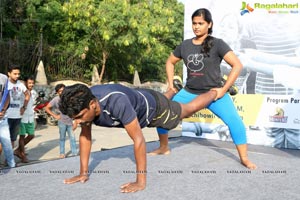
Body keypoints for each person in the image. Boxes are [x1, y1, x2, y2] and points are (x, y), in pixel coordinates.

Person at [148, 8, 257, 170]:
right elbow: (170, 62)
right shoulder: (185, 46)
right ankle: (164, 147)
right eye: (194, 23)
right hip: (189, 92)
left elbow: (237, 65)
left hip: (214, 94)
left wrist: (224, 89)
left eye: (201, 23)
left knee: (236, 123)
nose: (197, 26)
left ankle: (244, 158)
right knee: (164, 114)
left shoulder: (217, 44)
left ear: (209, 24)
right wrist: (170, 84)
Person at [59, 83, 216, 193]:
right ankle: (173, 89)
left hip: (155, 110)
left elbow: (139, 140)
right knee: (160, 98)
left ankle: (216, 91)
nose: (76, 122)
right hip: (140, 97)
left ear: (93, 104)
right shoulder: (84, 101)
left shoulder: (116, 102)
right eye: (74, 118)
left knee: (187, 110)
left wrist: (140, 181)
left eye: (79, 117)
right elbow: (85, 136)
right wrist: (83, 172)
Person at [45, 84, 78, 159]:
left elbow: (75, 110)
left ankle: (74, 153)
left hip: (70, 121)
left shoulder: (71, 99)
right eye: (60, 91)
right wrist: (55, 116)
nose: (62, 92)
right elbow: (47, 108)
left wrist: (76, 122)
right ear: (57, 92)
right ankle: (62, 153)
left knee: (72, 138)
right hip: (62, 122)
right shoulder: (56, 99)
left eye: (63, 90)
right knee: (62, 138)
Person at [14, 76, 37, 163]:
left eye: (32, 83)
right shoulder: (22, 92)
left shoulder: (34, 93)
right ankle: (22, 155)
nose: (31, 85)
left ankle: (18, 150)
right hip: (22, 116)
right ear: (25, 83)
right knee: (22, 136)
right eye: (29, 83)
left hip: (30, 117)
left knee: (31, 135)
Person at [6, 65, 30, 148]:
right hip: (6, 116)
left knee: (13, 139)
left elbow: (27, 95)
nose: (17, 76)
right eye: (15, 74)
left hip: (17, 116)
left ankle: (8, 159)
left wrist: (24, 107)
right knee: (3, 139)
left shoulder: (21, 84)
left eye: (18, 74)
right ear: (9, 73)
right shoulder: (5, 83)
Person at [0, 73, 16, 168]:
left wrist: (3, 110)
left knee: (7, 144)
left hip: (2, 118)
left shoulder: (3, 78)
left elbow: (7, 96)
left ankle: (12, 165)